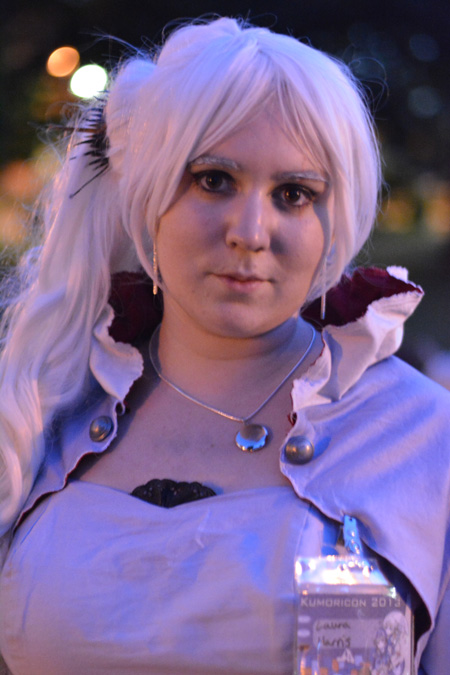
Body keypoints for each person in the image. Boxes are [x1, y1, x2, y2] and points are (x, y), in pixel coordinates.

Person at [0, 16, 448, 675]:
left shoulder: (424, 437)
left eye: (294, 194)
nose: (250, 231)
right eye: (214, 179)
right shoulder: (39, 410)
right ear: (147, 194)